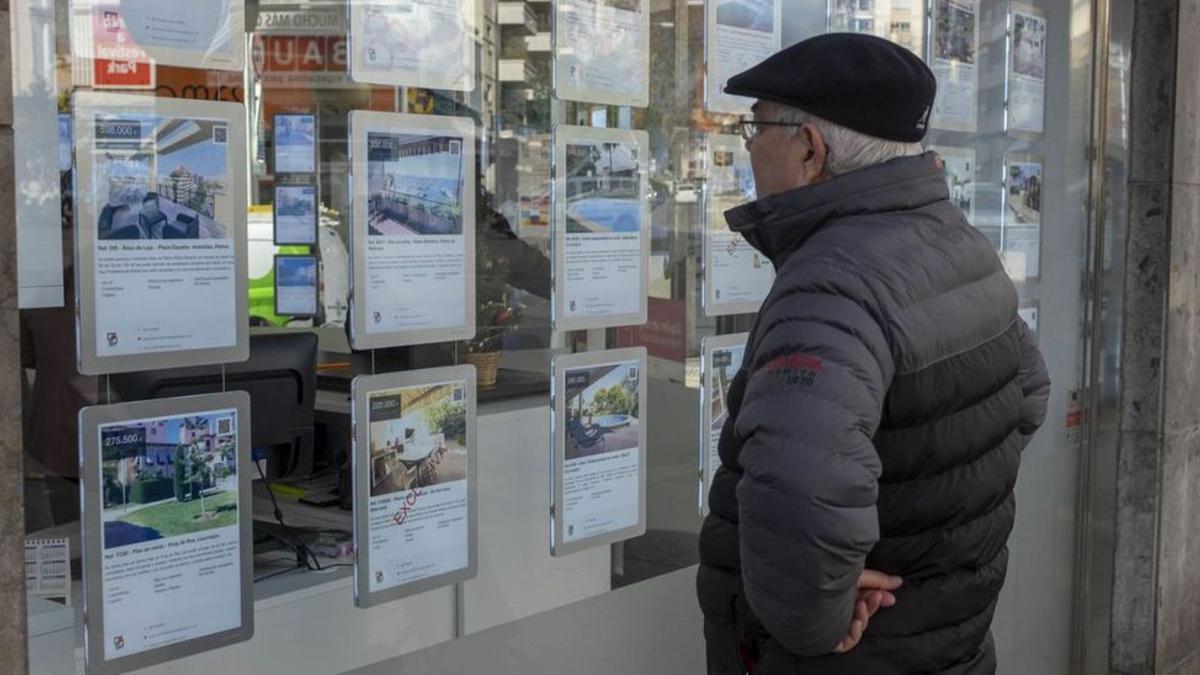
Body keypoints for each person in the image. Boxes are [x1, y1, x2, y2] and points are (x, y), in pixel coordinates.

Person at [696, 34, 1051, 674]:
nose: (748, 147)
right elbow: (1027, 397)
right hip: (948, 637)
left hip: (857, 654)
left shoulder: (831, 285)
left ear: (811, 148)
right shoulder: (957, 244)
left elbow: (802, 488)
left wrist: (819, 619)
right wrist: (928, 520)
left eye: (757, 127)